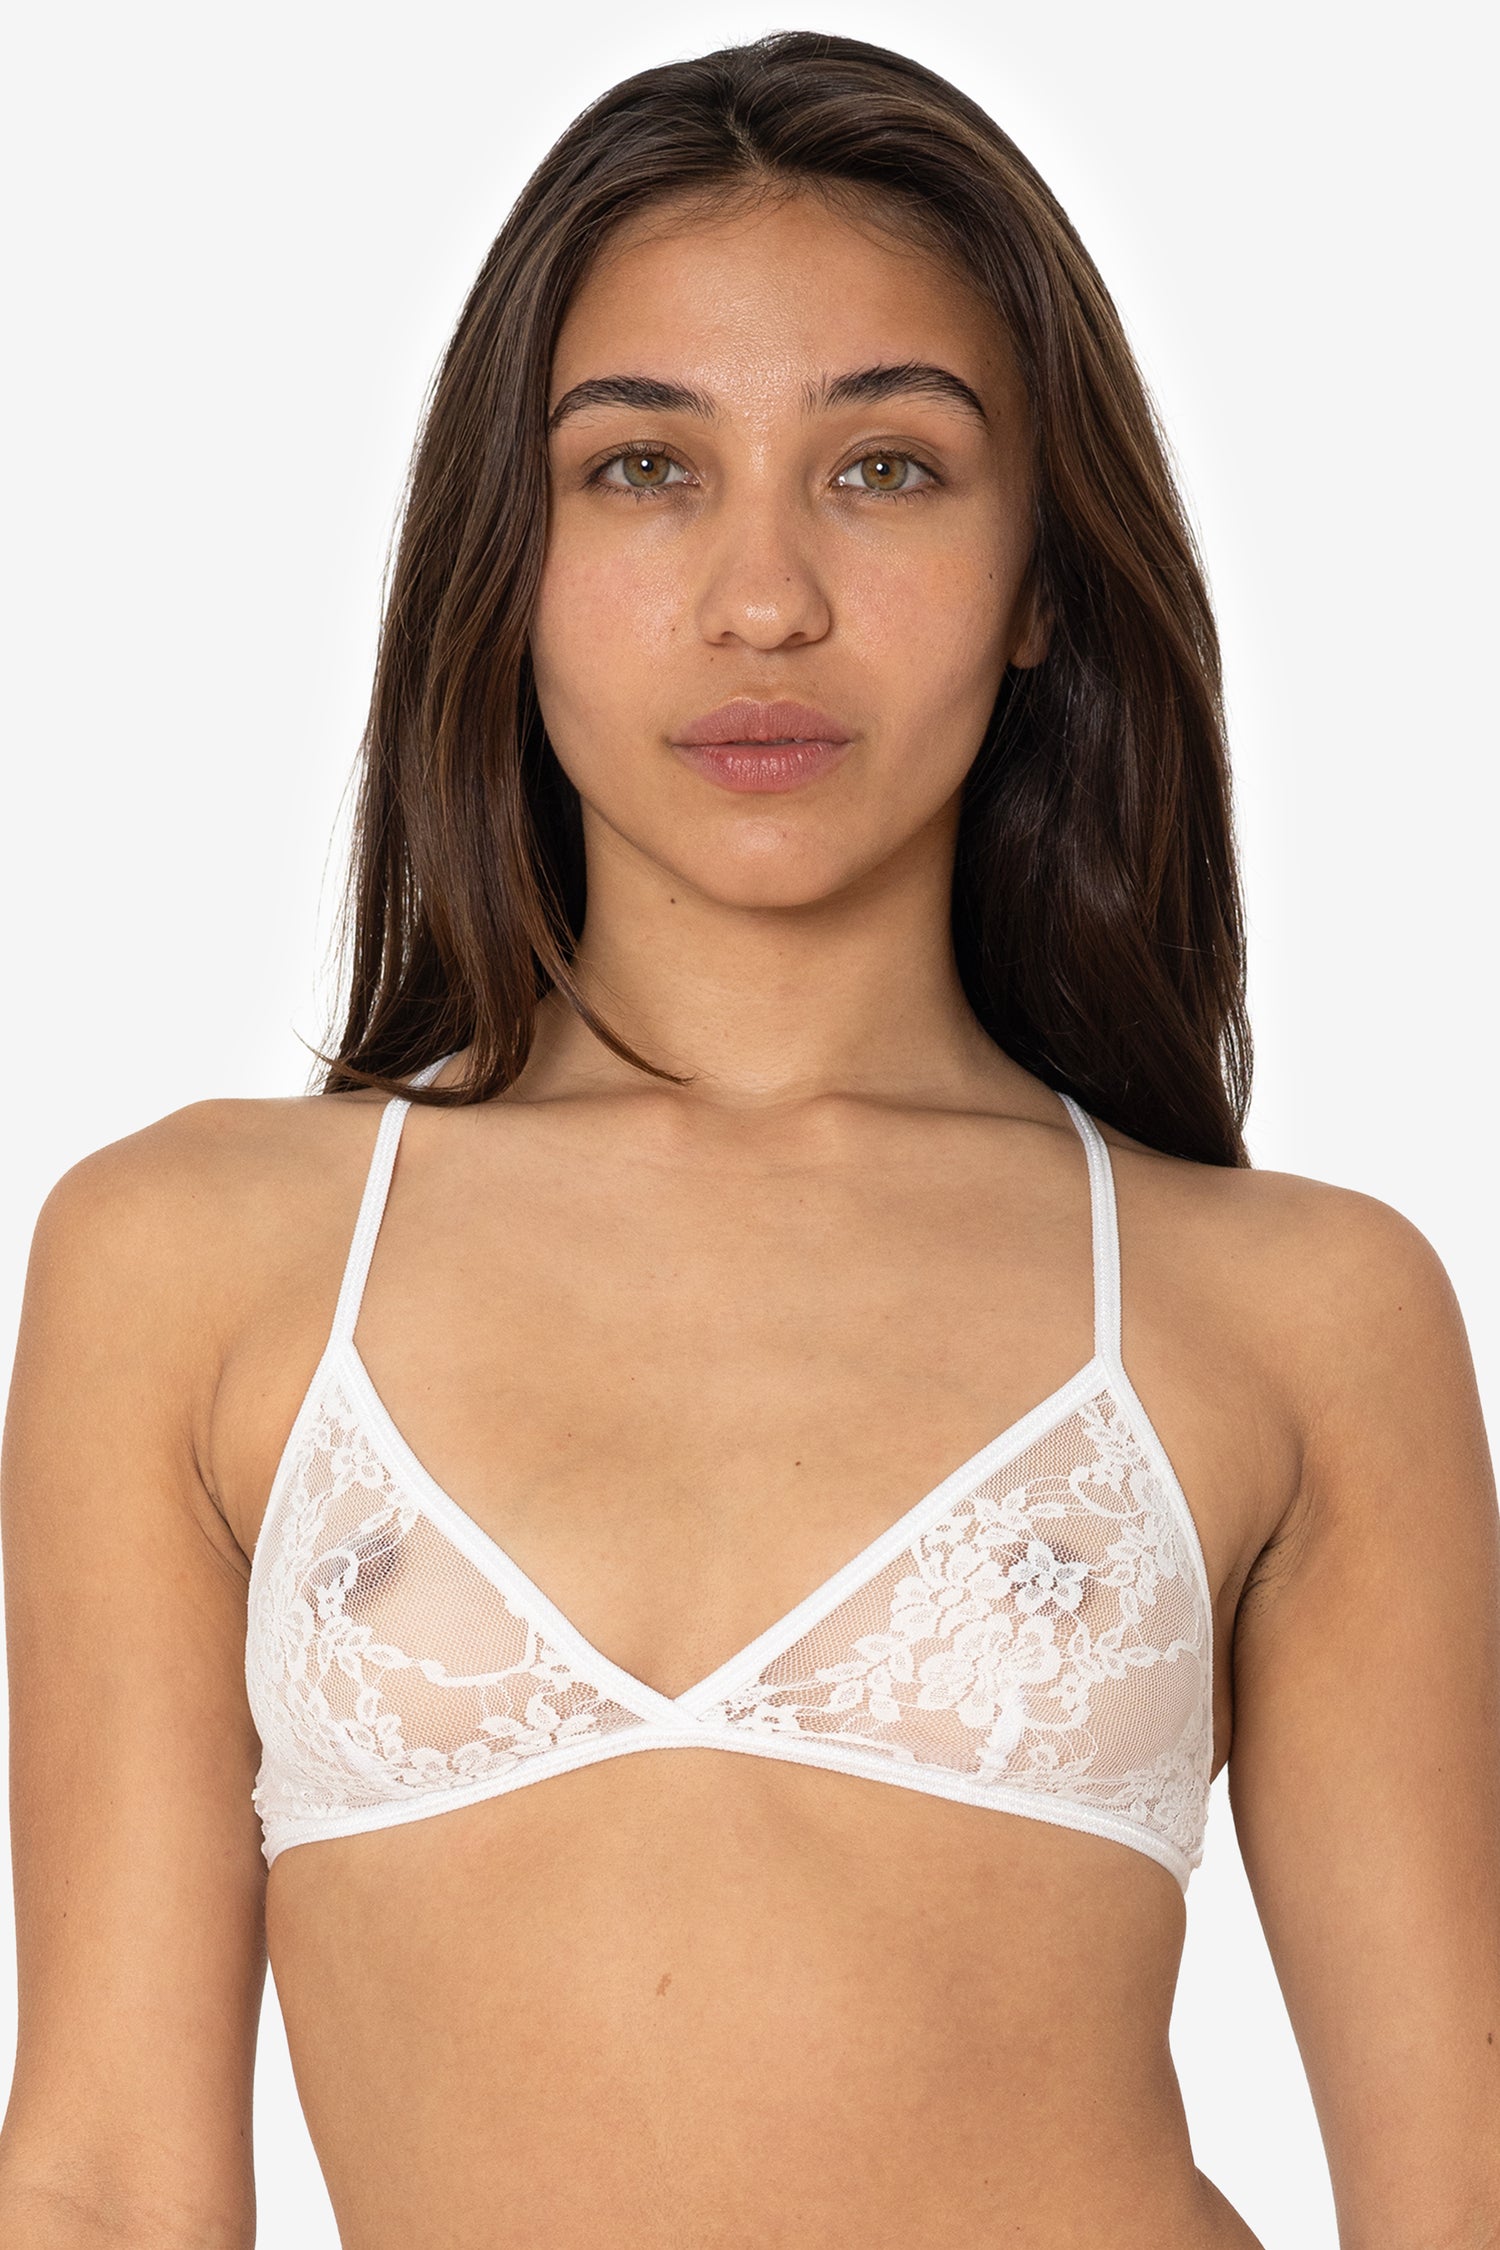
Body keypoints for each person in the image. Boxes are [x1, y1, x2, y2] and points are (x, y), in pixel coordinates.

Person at [1, 30, 1496, 2249]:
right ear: (507, 560)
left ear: (1043, 577)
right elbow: (108, 2178)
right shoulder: (193, 1262)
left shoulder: (1299, 1310)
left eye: (887, 467)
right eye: (643, 468)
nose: (764, 597)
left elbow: (1461, 2182)